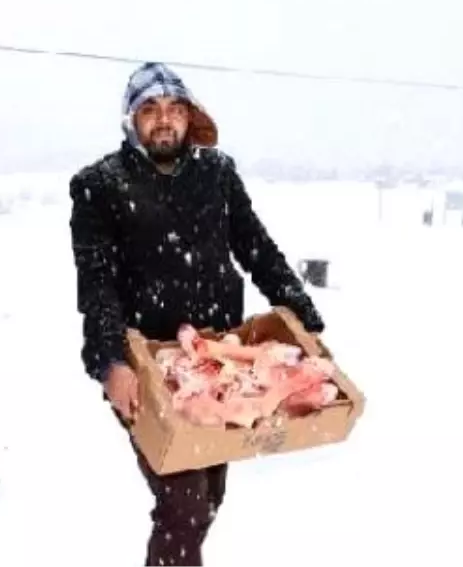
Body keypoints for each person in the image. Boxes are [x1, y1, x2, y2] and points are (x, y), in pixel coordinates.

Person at [67, 61, 325, 567]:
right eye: (150, 110)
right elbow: (95, 284)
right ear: (131, 120)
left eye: (174, 109)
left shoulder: (217, 174)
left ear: (188, 117)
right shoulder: (99, 185)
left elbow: (258, 249)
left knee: (206, 497)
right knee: (183, 503)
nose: (164, 120)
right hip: (146, 365)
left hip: (217, 365)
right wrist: (109, 362)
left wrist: (303, 317)